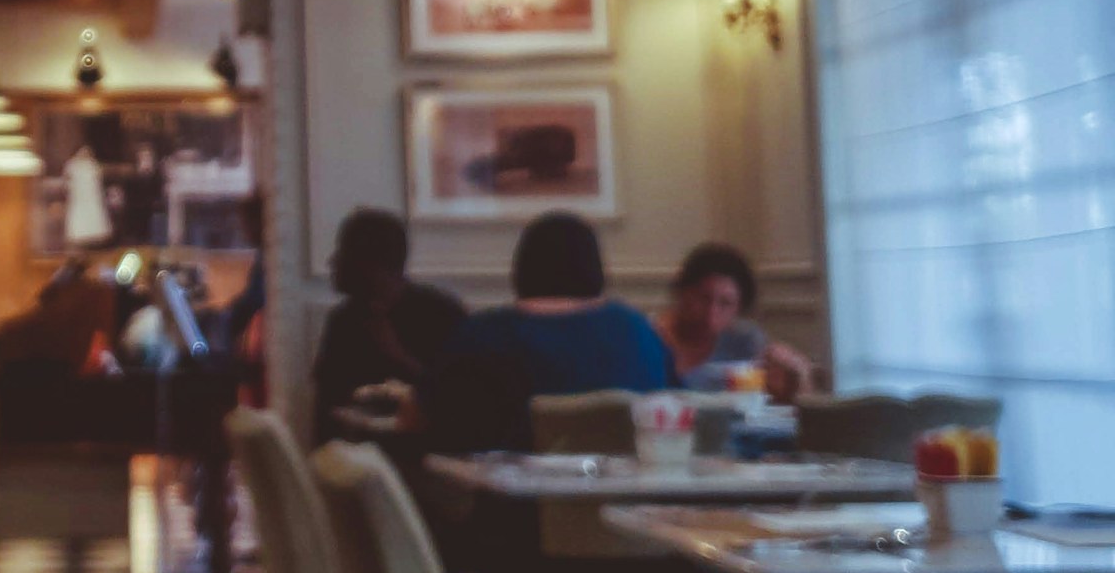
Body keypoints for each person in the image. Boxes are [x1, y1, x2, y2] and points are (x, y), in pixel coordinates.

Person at [419, 211, 674, 452]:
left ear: (521, 267)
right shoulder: (640, 332)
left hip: (511, 495)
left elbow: (430, 418)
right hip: (630, 493)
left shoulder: (482, 336)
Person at [312, 208, 463, 441]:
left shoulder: (442, 313)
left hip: (422, 454)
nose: (332, 262)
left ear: (372, 266)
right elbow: (325, 411)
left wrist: (398, 355)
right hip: (354, 458)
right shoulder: (343, 320)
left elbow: (456, 399)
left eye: (343, 253)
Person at [657, 240, 813, 399]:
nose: (712, 312)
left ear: (738, 308)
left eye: (725, 304)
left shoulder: (744, 341)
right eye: (704, 299)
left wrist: (796, 377)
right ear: (683, 293)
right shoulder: (653, 339)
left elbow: (784, 401)